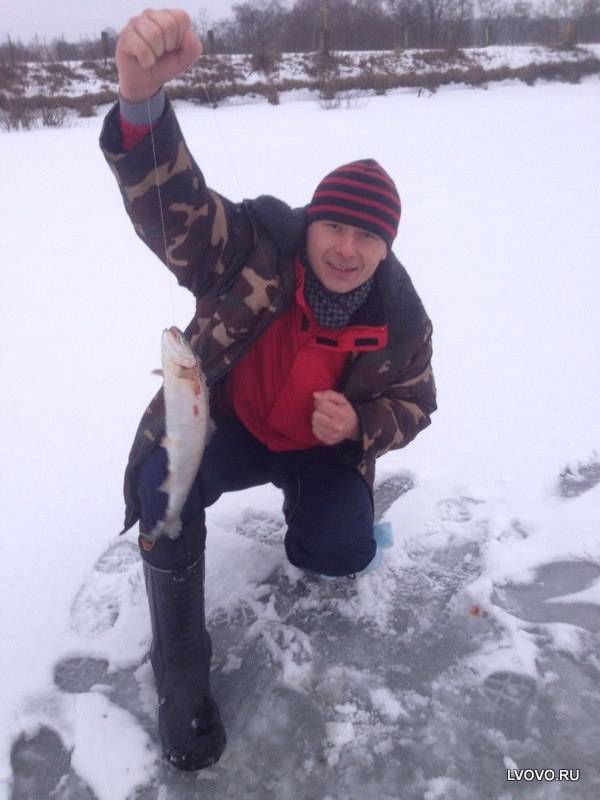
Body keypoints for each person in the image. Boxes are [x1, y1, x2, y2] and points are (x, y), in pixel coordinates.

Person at [100, 8, 436, 773]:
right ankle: (180, 666)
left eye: (369, 237)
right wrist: (142, 102)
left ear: (386, 247)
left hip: (320, 450)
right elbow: (172, 209)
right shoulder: (248, 249)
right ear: (313, 220)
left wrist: (363, 422)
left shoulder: (400, 318)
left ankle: (323, 528)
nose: (347, 249)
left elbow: (419, 400)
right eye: (336, 227)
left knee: (341, 555)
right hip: (232, 429)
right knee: (165, 483)